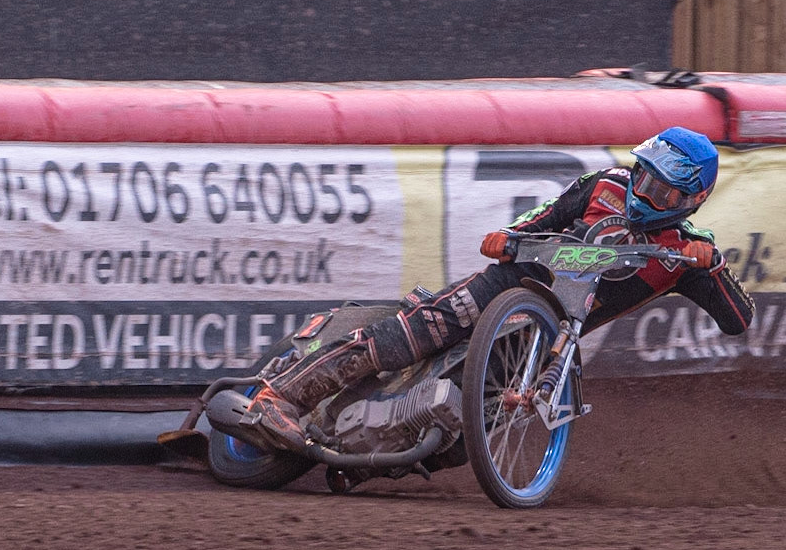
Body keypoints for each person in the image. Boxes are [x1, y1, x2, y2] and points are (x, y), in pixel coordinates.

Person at [237, 126, 755, 453]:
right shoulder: (605, 185)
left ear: (691, 200)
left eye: (661, 190)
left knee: (480, 421)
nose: (643, 193)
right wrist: (508, 237)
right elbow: (544, 216)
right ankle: (273, 397)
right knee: (410, 335)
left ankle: (384, 453)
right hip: (512, 283)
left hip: (550, 336)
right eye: (644, 177)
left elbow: (739, 319)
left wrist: (713, 264)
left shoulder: (685, 252)